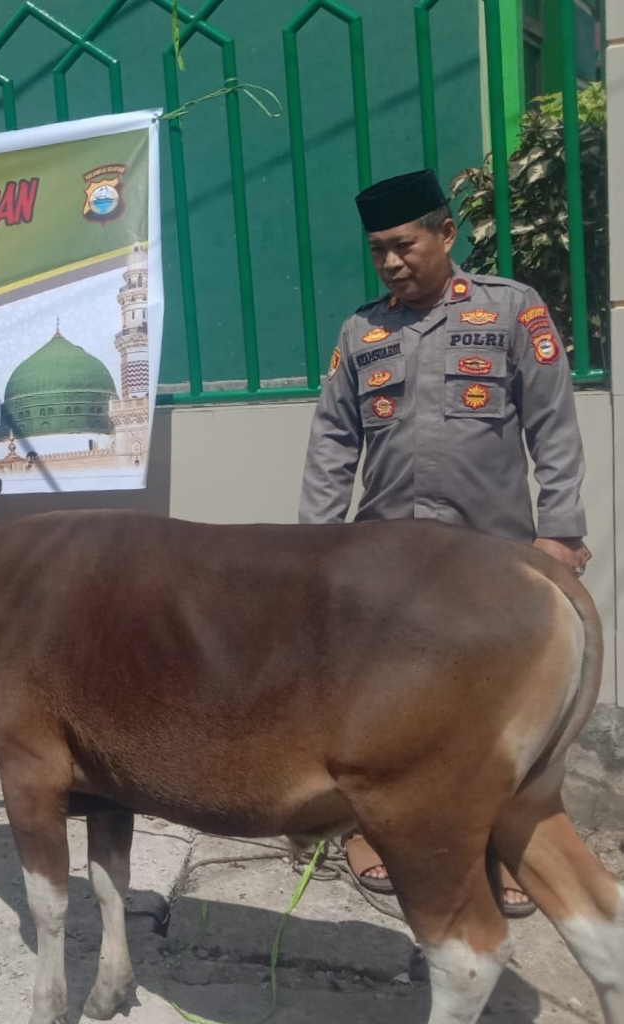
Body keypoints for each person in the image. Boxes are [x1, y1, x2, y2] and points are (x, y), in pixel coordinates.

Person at [298, 169, 591, 919]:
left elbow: (553, 427)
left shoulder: (509, 311)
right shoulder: (362, 333)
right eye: (379, 252)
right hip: (386, 560)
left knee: (493, 711)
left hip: (490, 558)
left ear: (445, 234)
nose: (392, 262)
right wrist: (312, 550)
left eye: (404, 245)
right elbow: (333, 443)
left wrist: (559, 533)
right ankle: (369, 833)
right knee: (376, 708)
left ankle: (503, 845)